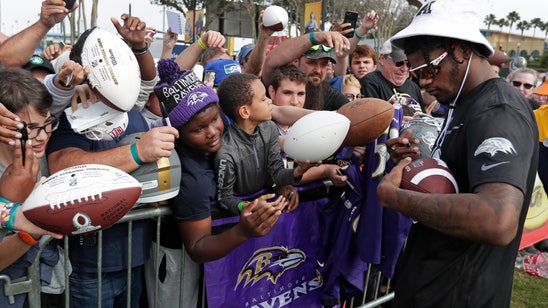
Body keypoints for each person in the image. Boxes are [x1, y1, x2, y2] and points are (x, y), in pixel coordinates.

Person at [377, 0, 538, 306]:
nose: (423, 80)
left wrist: (394, 197)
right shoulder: (462, 102)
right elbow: (456, 184)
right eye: (416, 73)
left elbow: (498, 219)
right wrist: (415, 165)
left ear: (463, 50)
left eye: (430, 68)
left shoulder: (497, 110)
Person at [46, 15, 179, 308]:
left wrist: (140, 47)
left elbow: (148, 81)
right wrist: (136, 153)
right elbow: (63, 165)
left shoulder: (129, 105)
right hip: (91, 265)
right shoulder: (76, 110)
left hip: (133, 256)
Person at [0, 67, 64, 307]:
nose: (42, 136)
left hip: (42, 283)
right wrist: (31, 231)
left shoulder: (40, 156)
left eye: (47, 123)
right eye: (30, 128)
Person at [214, 73, 318, 215]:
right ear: (245, 112)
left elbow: (277, 174)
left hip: (267, 208)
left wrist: (299, 171)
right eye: (263, 99)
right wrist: (244, 207)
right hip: (238, 221)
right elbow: (225, 198)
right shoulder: (226, 153)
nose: (270, 102)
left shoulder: (269, 128)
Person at [262, 30, 350, 111]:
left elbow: (351, 110)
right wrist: (315, 37)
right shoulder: (279, 80)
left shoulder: (327, 91)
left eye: (323, 64)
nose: (318, 70)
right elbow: (270, 61)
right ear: (296, 61)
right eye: (311, 63)